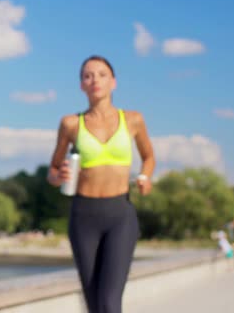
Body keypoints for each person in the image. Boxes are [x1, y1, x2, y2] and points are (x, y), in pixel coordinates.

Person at [47, 55, 155, 313]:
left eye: (102, 74)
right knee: (95, 303)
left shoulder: (133, 119)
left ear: (114, 82)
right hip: (84, 215)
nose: (94, 79)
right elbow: (52, 170)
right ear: (81, 85)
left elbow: (149, 157)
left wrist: (145, 176)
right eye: (88, 75)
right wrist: (58, 175)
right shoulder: (71, 124)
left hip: (121, 215)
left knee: (109, 301)